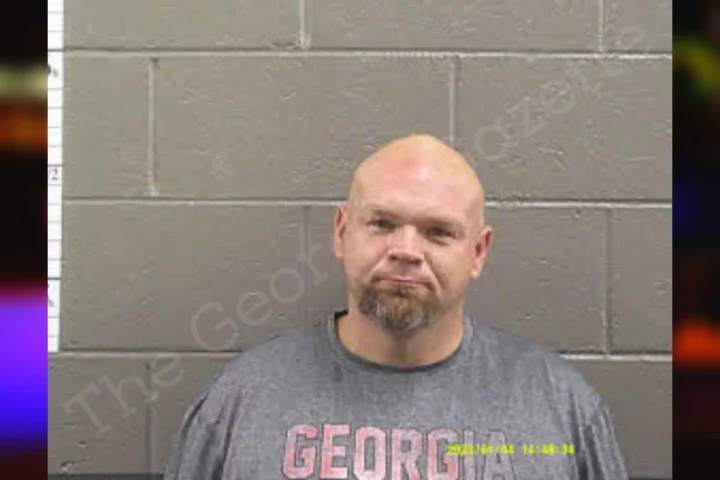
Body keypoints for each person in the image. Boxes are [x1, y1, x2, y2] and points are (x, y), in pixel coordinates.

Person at [163, 134, 629, 479]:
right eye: (382, 223)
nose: (405, 250)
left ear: (478, 252)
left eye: (438, 232)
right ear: (342, 233)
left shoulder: (560, 407)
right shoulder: (241, 401)